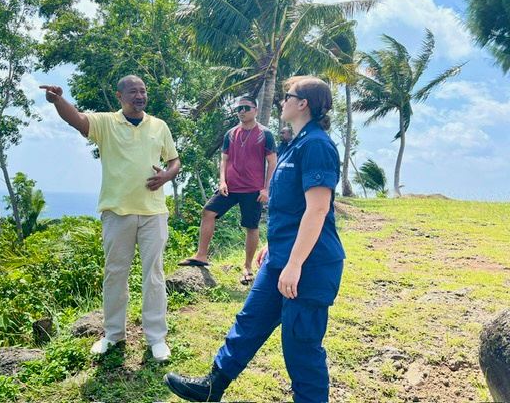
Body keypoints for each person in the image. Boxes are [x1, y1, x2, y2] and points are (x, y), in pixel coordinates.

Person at [164, 76, 345, 402]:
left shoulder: (317, 144)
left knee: (301, 349)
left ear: (303, 104)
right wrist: (274, 247)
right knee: (249, 323)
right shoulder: (296, 144)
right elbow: (292, 208)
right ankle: (212, 387)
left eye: (287, 96)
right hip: (283, 258)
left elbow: (317, 210)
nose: (282, 101)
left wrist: (294, 262)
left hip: (309, 266)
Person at [40, 75, 181, 363]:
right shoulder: (106, 122)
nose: (139, 95)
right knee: (115, 274)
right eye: (133, 91)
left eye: (143, 90)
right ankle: (113, 334)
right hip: (117, 213)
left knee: (153, 275)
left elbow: (174, 160)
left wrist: (167, 175)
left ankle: (156, 338)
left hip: (153, 213)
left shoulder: (159, 126)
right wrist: (58, 101)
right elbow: (77, 120)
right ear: (120, 96)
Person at [178, 95, 277, 285]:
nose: (242, 111)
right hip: (230, 187)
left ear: (255, 110)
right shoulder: (231, 134)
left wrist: (266, 189)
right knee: (208, 212)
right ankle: (202, 255)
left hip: (253, 190)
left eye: (246, 108)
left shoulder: (265, 134)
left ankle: (247, 267)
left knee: (251, 227)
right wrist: (222, 182)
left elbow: (272, 161)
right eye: (239, 108)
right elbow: (224, 160)